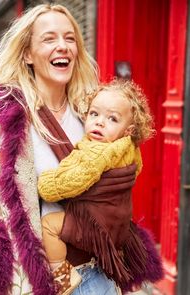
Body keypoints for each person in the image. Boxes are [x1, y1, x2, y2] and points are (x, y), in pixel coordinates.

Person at [0, 4, 137, 295]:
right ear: (27, 54)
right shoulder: (1, 119)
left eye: (70, 38)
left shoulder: (92, 110)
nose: (62, 46)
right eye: (49, 39)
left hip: (99, 274)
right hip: (38, 280)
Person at [38, 78, 162, 294]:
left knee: (49, 225)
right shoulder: (129, 148)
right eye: (94, 114)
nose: (99, 122)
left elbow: (73, 183)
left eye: (112, 118)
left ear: (128, 130)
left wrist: (46, 185)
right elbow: (136, 170)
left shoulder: (98, 153)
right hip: (116, 222)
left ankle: (62, 276)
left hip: (94, 224)